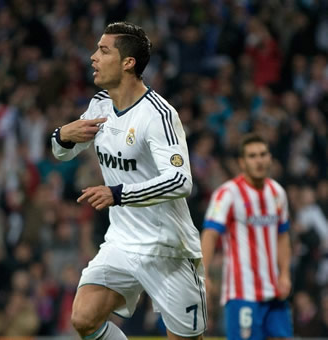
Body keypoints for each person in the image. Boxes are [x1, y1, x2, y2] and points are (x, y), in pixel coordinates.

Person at [52, 22, 206, 340]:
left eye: (103, 50)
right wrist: (62, 135)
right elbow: (62, 154)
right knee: (83, 318)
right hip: (122, 242)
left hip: (168, 249)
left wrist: (118, 194)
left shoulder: (159, 116)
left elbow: (180, 180)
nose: (93, 57)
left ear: (128, 62)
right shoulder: (100, 104)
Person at [201, 133, 293, 340]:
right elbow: (210, 235)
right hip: (242, 293)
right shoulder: (227, 194)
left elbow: (283, 236)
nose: (259, 160)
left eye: (262, 154)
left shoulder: (278, 192)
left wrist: (285, 273)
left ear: (270, 158)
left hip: (275, 292)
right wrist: (203, 275)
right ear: (242, 162)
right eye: (252, 156)